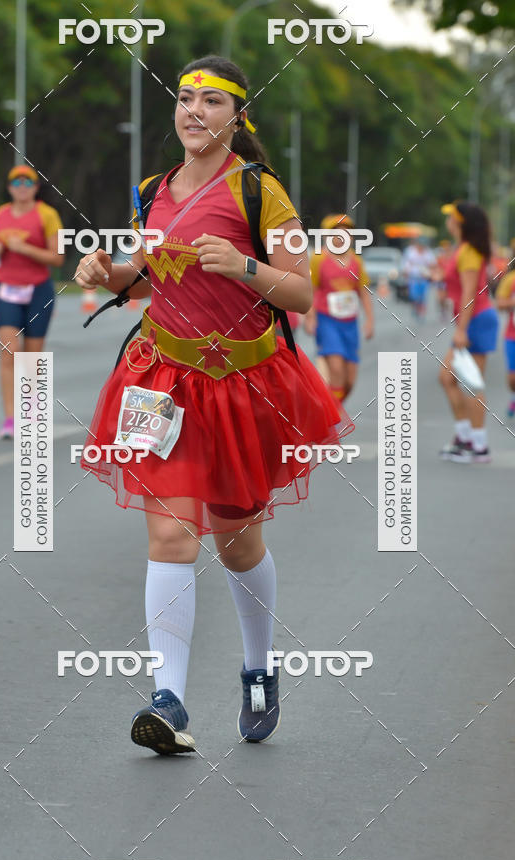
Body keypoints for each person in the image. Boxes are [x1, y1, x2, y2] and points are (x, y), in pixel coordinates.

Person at [75, 55, 354, 755]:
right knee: (170, 536)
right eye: (184, 98)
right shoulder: (154, 191)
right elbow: (142, 279)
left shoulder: (263, 193)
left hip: (243, 387)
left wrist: (245, 266)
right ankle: (168, 700)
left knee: (238, 543)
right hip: (161, 382)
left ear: (237, 116)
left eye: (210, 101)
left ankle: (259, 669)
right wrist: (105, 274)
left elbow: (301, 292)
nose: (193, 111)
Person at [0, 165, 64, 439]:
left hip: (38, 291)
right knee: (9, 351)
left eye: (27, 181)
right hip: (6, 289)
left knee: (31, 357)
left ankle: (30, 414)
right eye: (16, 182)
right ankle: (10, 418)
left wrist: (25, 248)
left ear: (35, 187)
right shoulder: (1, 214)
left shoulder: (47, 214)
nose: (21, 186)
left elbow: (58, 257)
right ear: (9, 187)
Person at [438, 201, 499, 462]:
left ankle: (479, 446)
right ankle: (465, 438)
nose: (448, 220)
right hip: (470, 321)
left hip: (476, 321)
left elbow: (470, 293)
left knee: (472, 383)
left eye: (451, 216)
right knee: (448, 378)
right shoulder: (462, 249)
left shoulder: (470, 251)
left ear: (460, 222)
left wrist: (462, 330)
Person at [304, 214, 374, 402]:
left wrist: (369, 321)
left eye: (347, 233)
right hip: (327, 321)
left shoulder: (356, 262)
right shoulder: (318, 259)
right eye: (337, 233)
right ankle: (333, 420)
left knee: (349, 380)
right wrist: (310, 318)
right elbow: (311, 290)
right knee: (336, 369)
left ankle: (331, 410)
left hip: (350, 324)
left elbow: (363, 293)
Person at [494, 248, 515, 417]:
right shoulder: (510, 279)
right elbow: (499, 304)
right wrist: (511, 302)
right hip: (512, 335)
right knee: (512, 379)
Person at [401, 235, 436, 322]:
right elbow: (405, 263)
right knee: (414, 296)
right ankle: (415, 308)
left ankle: (422, 314)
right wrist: (405, 272)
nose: (421, 247)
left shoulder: (428, 253)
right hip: (413, 278)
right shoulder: (410, 251)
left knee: (423, 297)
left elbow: (433, 265)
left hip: (424, 278)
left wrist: (430, 272)